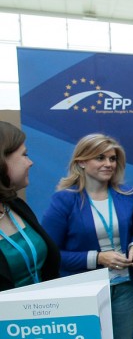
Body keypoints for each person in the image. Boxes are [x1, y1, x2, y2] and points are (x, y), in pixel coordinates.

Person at [42, 134, 133, 339]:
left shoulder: (127, 195)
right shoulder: (64, 200)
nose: (108, 164)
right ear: (81, 162)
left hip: (125, 290)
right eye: (100, 158)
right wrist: (97, 258)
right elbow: (51, 254)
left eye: (112, 159)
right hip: (83, 292)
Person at [0, 122, 60, 292]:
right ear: (2, 160)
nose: (30, 162)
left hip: (46, 315)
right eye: (24, 155)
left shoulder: (16, 206)